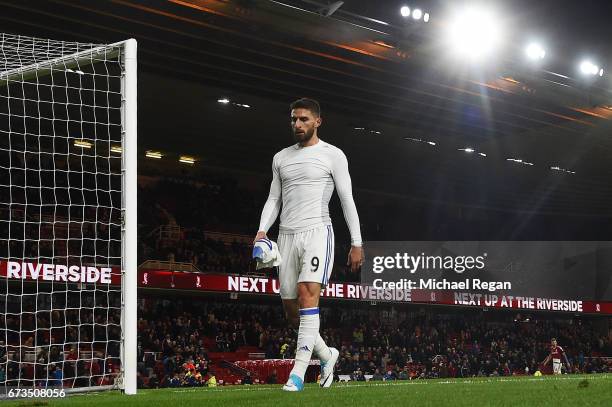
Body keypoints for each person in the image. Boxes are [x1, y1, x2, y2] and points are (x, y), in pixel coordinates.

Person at [255, 98, 364, 391]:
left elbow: (346, 199)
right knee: (293, 313)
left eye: (303, 119)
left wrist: (356, 242)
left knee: (307, 295)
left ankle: (298, 373)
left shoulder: (333, 155)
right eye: (293, 119)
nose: (297, 124)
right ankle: (328, 355)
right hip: (286, 237)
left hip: (318, 232)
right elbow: (274, 199)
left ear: (318, 121)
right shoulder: (281, 157)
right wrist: (262, 231)